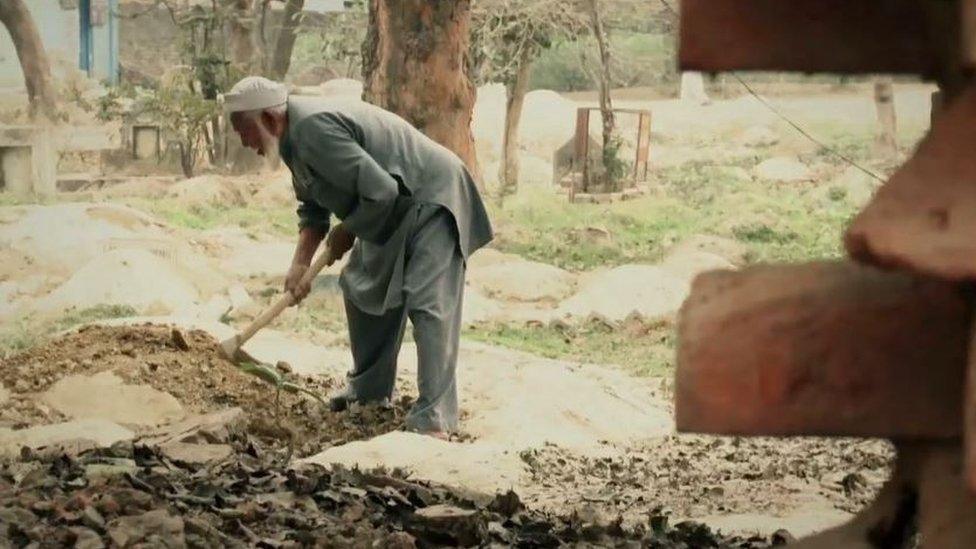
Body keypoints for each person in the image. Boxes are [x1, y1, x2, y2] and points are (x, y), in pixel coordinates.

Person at [222, 76, 493, 438]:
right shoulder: (291, 141)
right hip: (389, 207)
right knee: (360, 285)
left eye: (245, 131)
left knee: (428, 301)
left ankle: (435, 417)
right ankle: (369, 389)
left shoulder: (313, 129)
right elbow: (313, 207)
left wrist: (346, 230)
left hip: (429, 194)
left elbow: (380, 190)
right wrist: (300, 264)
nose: (244, 142)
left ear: (271, 119)